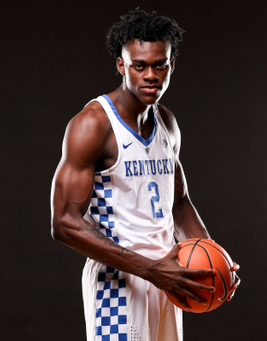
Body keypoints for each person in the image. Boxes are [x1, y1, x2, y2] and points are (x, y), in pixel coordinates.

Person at [50, 8, 239, 341]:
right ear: (122, 66)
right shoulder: (93, 125)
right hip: (119, 282)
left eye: (160, 64)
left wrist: (214, 261)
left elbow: (178, 203)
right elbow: (64, 223)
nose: (151, 75)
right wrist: (151, 270)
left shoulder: (167, 123)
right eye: (139, 66)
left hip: (169, 275)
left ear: (171, 65)